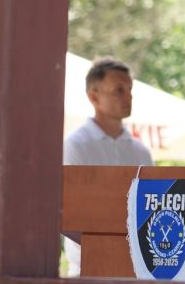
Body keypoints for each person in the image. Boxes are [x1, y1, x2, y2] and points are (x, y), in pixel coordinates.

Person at [63, 57, 154, 276]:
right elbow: (70, 210)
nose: (128, 97)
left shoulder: (141, 151)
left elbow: (152, 206)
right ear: (94, 97)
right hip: (87, 268)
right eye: (119, 90)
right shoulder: (76, 145)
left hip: (137, 268)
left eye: (130, 90)